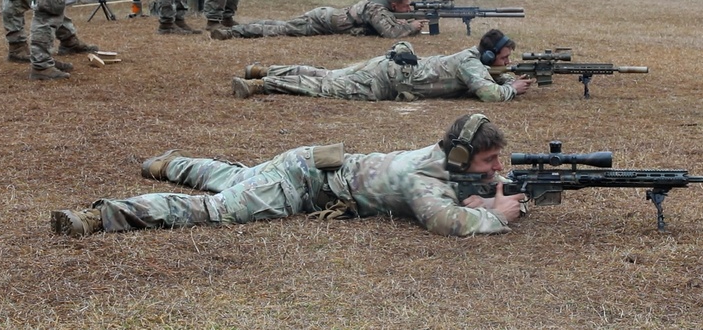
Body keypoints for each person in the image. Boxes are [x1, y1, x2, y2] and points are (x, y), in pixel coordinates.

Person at [50, 113, 526, 237]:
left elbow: (456, 198)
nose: (496, 170)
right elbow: (443, 221)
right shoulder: (424, 177)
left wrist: (485, 195)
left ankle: (169, 164)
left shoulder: (443, 159)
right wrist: (496, 215)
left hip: (308, 164)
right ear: (462, 157)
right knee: (218, 209)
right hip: (302, 183)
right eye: (489, 163)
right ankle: (102, 216)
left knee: (235, 177)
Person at [231, 28, 535, 101]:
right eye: (504, 58)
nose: (507, 63)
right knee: (324, 86)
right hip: (388, 81)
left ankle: (264, 69)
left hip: (389, 65)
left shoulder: (471, 59)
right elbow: (490, 95)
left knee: (325, 73)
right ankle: (260, 84)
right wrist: (511, 86)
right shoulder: (472, 65)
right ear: (488, 56)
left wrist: (504, 73)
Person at [210, 0, 428, 40]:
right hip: (322, 21)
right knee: (281, 29)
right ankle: (232, 33)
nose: (408, 10)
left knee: (280, 24)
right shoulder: (376, 9)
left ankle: (235, 29)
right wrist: (411, 27)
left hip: (327, 17)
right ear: (394, 5)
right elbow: (389, 33)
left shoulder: (383, 6)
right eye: (406, 6)